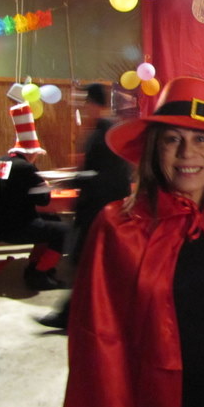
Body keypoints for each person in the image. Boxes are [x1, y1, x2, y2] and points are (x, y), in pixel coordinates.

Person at [59, 77, 204, 407]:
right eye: (173, 139)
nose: (188, 153)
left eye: (201, 139)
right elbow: (98, 345)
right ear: (155, 149)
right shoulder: (118, 228)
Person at [38, 83, 133, 329]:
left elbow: (109, 176)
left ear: (93, 103)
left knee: (85, 261)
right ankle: (74, 314)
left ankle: (72, 315)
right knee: (86, 262)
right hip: (96, 208)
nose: (82, 106)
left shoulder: (105, 132)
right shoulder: (103, 130)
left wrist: (74, 179)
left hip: (100, 210)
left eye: (85, 101)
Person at [0, 102, 69, 290]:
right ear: (31, 153)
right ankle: (38, 274)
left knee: (52, 219)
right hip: (16, 226)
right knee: (64, 231)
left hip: (1, 222)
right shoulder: (26, 167)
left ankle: (35, 264)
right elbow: (44, 200)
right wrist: (45, 184)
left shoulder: (2, 162)